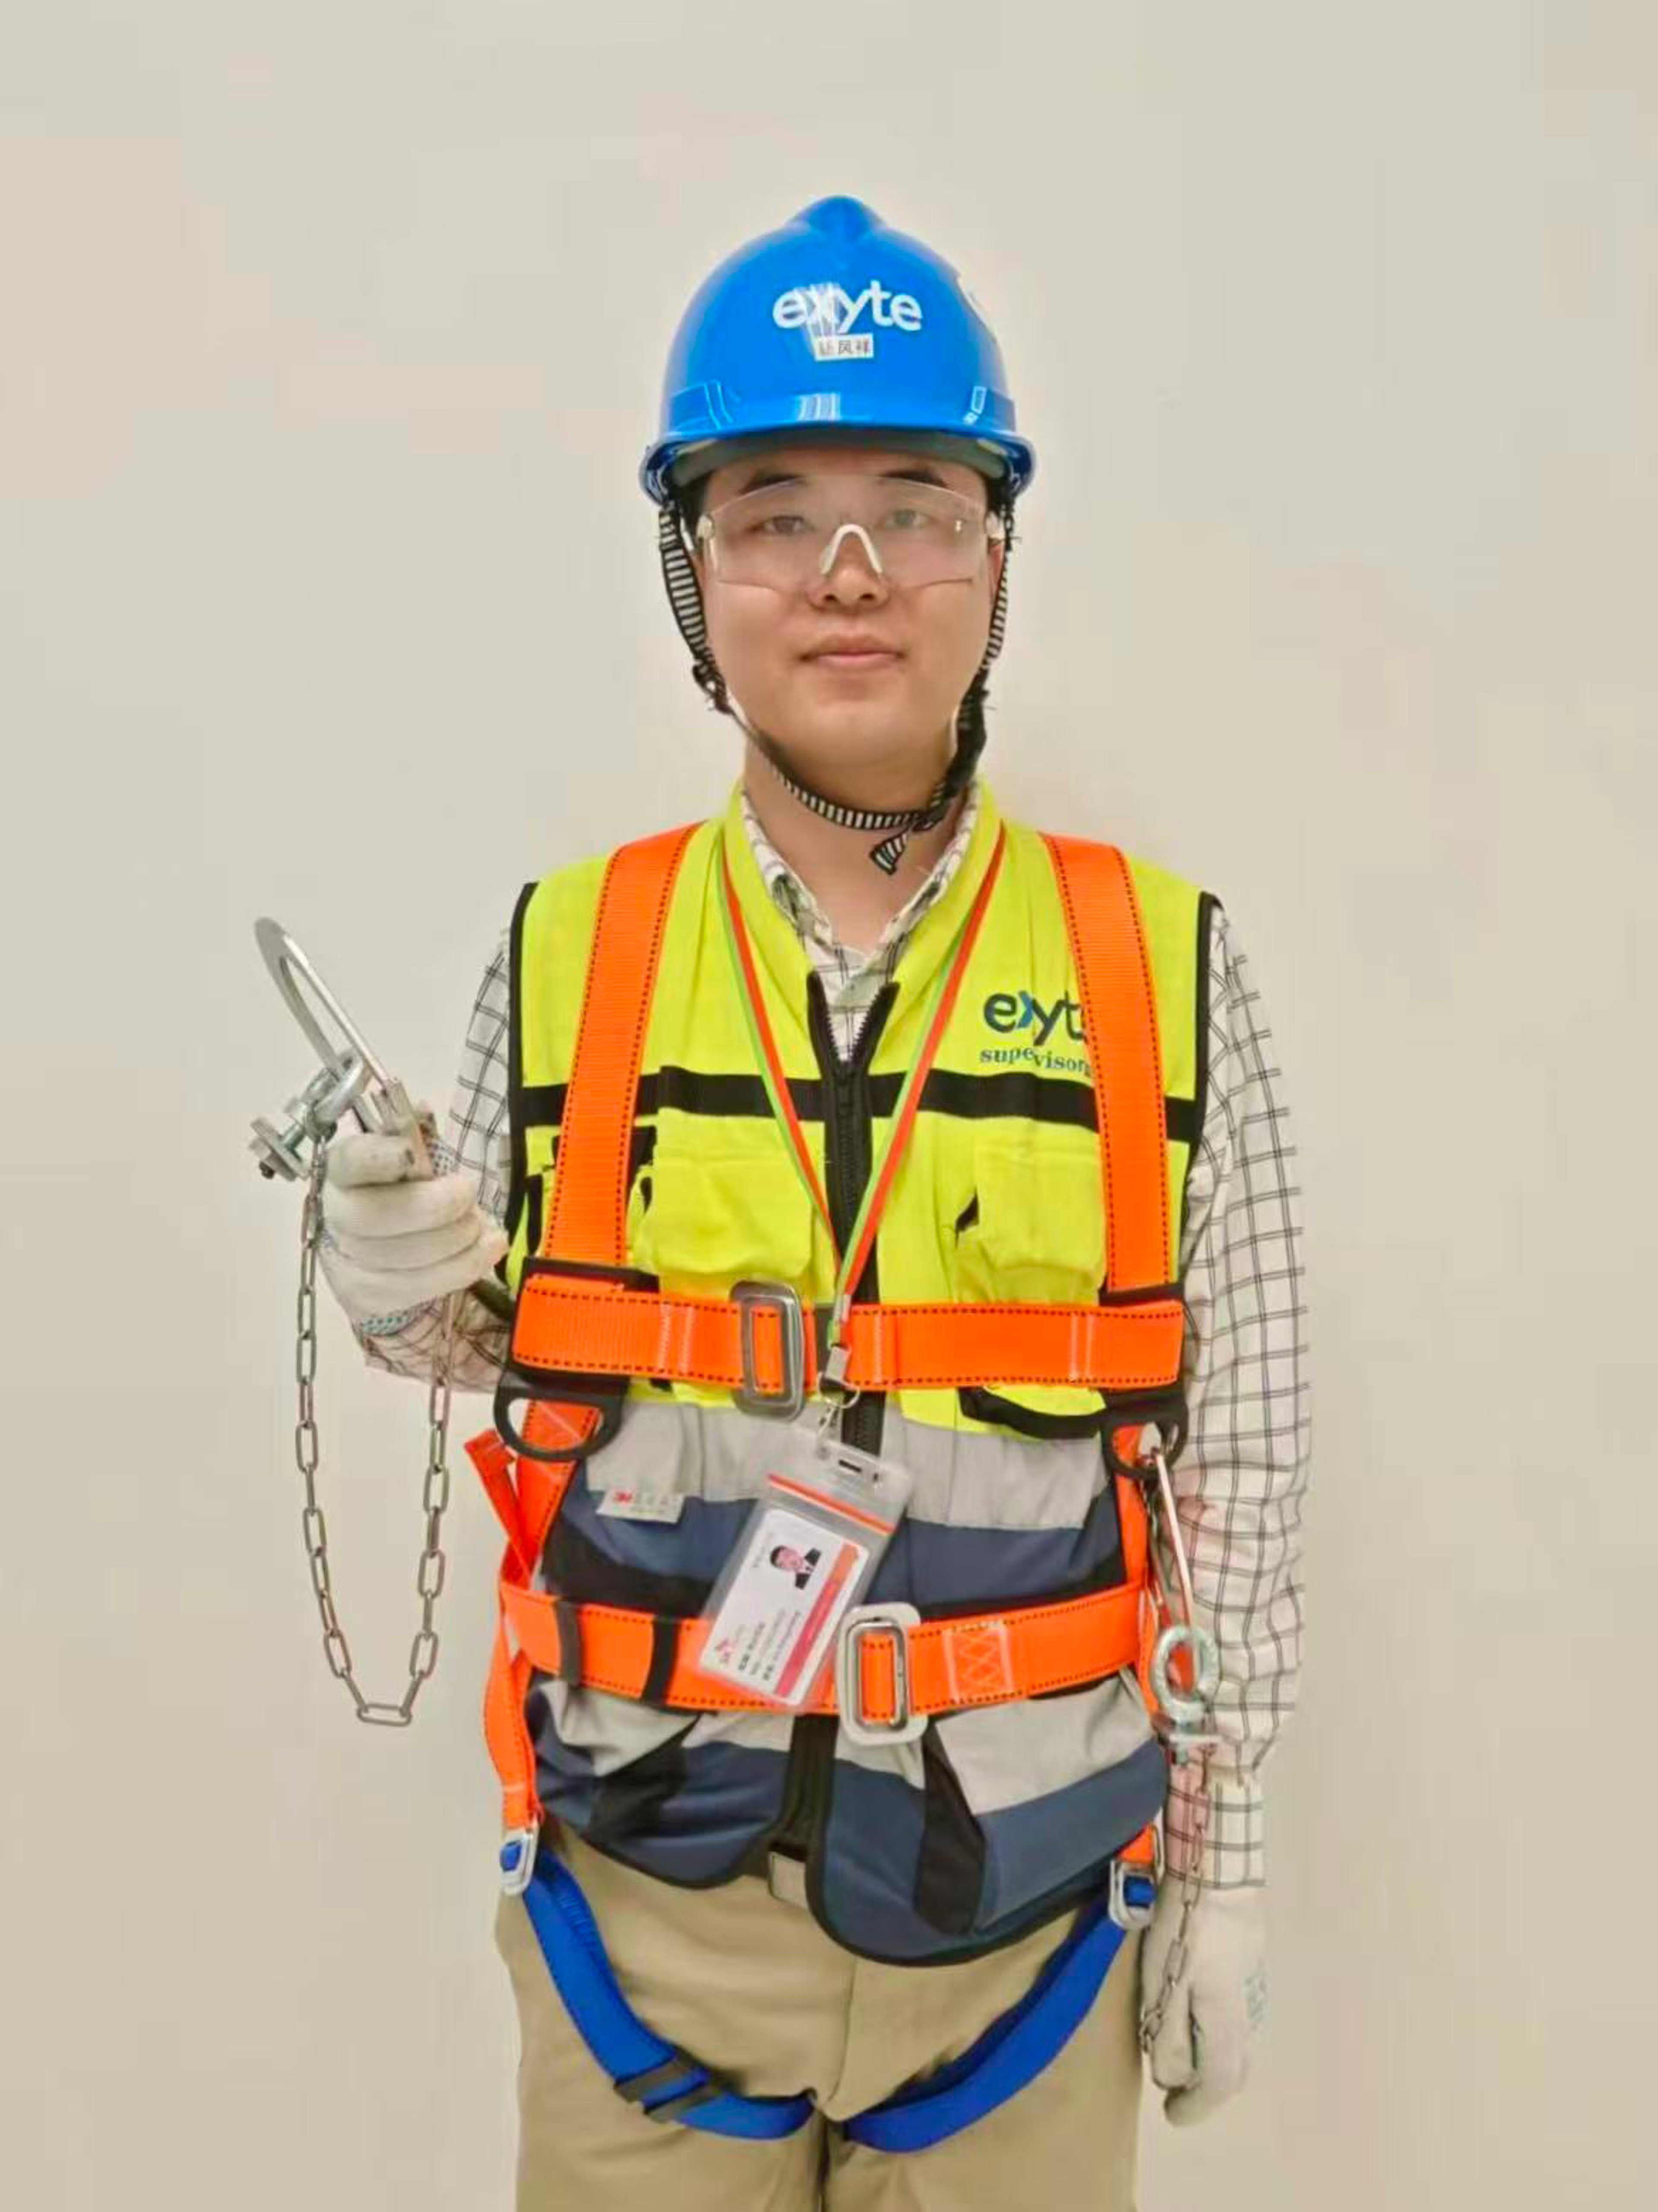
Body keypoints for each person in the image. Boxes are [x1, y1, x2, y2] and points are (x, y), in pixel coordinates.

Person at [316, 196, 1310, 2209]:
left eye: (914, 508)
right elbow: (493, 1348)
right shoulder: (576, 952)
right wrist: (387, 1264)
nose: (849, 577)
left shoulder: (1160, 968)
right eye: (774, 514)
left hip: (1032, 1926)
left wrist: (1228, 1877)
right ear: (693, 571)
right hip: (645, 1928)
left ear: (996, 552)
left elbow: (1247, 1468)